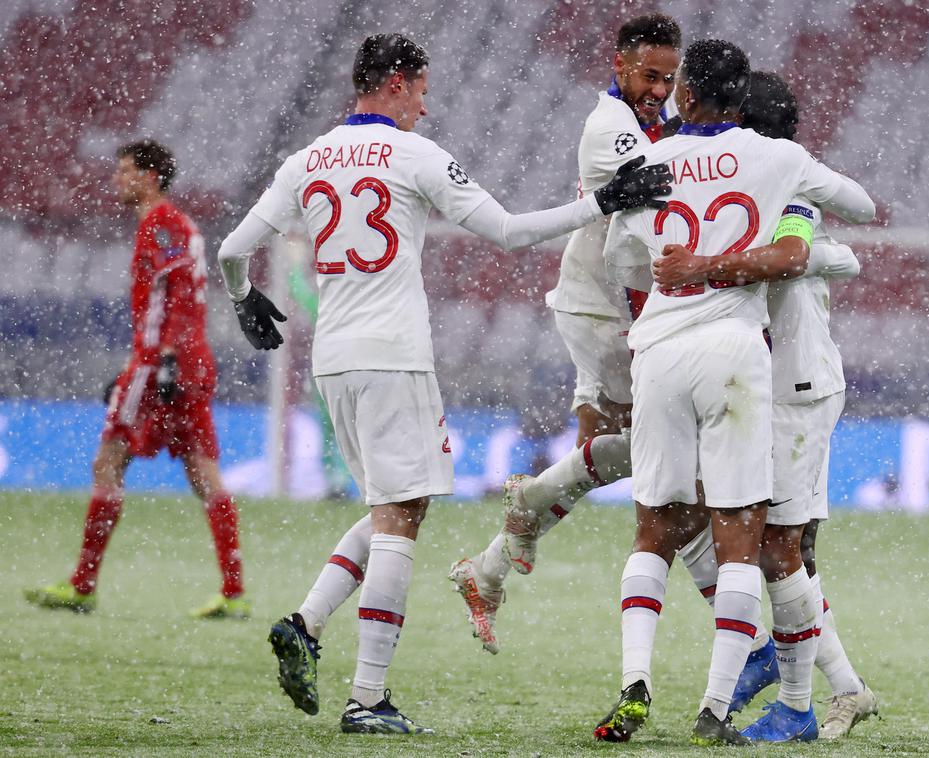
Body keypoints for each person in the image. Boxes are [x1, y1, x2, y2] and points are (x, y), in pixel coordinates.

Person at [215, 33, 671, 735]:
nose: (426, 109)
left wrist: (245, 299)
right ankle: (367, 698)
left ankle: (306, 624)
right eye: (422, 92)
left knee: (392, 505)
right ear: (396, 84)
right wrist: (603, 200)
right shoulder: (413, 155)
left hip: (333, 359)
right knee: (403, 517)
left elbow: (232, 250)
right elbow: (513, 232)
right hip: (394, 355)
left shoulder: (306, 158)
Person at [595, 39, 875, 746]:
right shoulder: (774, 172)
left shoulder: (774, 190)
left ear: (689, 94)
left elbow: (796, 256)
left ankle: (799, 699)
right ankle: (795, 691)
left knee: (753, 542)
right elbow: (855, 217)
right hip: (749, 371)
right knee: (755, 543)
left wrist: (693, 265)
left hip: (784, 383)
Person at [448, 11, 682, 656]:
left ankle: (489, 567)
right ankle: (528, 505)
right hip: (610, 312)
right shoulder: (611, 126)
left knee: (629, 457)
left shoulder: (648, 121)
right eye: (649, 75)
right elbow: (645, 227)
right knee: (669, 460)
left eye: (669, 76)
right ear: (619, 67)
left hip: (606, 305)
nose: (659, 88)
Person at [25, 140, 247, 619]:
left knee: (108, 460)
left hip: (164, 361)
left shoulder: (162, 224)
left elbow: (182, 298)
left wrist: (161, 361)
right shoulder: (175, 225)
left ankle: (83, 585)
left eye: (124, 172)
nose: (116, 181)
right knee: (202, 469)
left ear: (148, 177)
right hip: (185, 360)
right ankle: (234, 591)